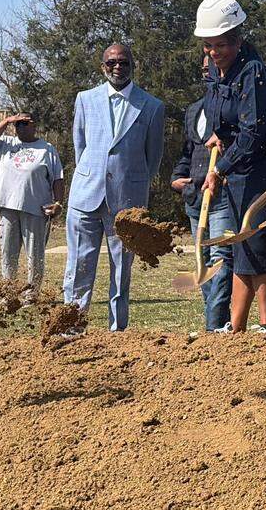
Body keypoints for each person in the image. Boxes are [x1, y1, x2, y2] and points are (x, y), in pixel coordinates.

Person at [196, 0, 266, 334]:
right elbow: (223, 121)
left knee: (258, 245)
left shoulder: (252, 73)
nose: (214, 52)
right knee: (244, 247)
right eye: (209, 45)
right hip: (241, 169)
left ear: (238, 39)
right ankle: (239, 328)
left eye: (221, 44)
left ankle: (263, 326)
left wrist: (219, 169)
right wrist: (219, 137)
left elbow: (253, 132)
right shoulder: (215, 74)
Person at [63, 44, 166, 334]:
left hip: (127, 203)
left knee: (122, 270)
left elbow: (153, 158)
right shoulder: (85, 100)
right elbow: (79, 146)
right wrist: (91, 175)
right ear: (102, 66)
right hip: (86, 196)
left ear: (133, 65)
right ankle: (71, 326)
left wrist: (132, 184)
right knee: (79, 264)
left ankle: (117, 330)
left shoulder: (152, 106)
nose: (117, 66)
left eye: (123, 62)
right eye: (111, 62)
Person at [171, 95, 236, 332]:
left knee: (219, 257)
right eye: (205, 68)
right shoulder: (193, 109)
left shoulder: (232, 108)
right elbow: (188, 152)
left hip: (221, 195)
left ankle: (215, 325)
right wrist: (176, 178)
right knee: (203, 257)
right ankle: (215, 319)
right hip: (195, 196)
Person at [0, 111, 64, 288]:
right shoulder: (6, 144)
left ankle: (31, 293)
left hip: (36, 208)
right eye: (17, 124)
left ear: (34, 125)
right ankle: (9, 292)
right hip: (7, 206)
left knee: (35, 253)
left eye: (25, 123)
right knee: (8, 253)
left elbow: (58, 178)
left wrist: (58, 203)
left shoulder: (47, 149)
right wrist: (7, 120)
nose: (20, 127)